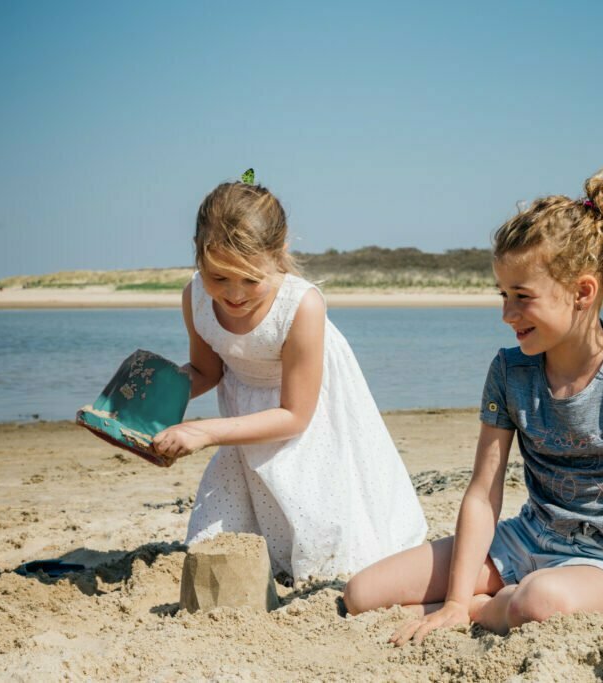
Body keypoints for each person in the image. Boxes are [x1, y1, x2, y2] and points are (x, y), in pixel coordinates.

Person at [343, 164, 603, 643]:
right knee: (361, 593)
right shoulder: (508, 371)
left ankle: (493, 607)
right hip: (523, 540)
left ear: (582, 292)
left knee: (537, 603)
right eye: (503, 295)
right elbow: (483, 492)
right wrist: (456, 601)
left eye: (522, 297)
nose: (506, 314)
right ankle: (481, 605)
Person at [150, 173, 427, 580]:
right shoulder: (195, 298)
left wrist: (205, 431)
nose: (234, 294)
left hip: (306, 410)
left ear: (278, 253)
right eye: (219, 277)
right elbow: (206, 371)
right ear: (197, 255)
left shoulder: (301, 306)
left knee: (320, 523)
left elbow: (296, 416)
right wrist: (152, 400)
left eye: (250, 279)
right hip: (245, 410)